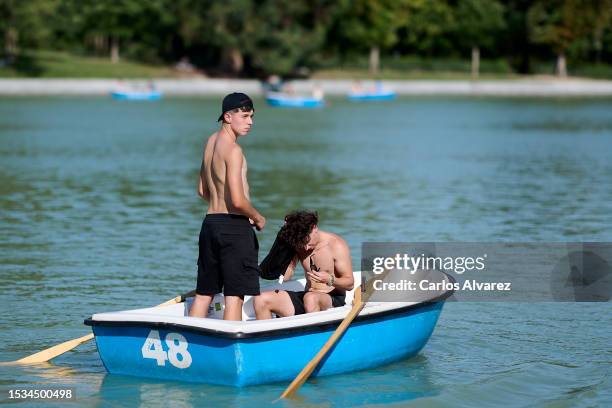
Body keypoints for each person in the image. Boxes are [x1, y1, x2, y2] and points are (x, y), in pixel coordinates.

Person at [189, 92, 266, 320]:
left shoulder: (210, 143)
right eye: (244, 116)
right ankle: (230, 350)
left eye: (251, 116)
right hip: (234, 228)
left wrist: (223, 206)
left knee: (204, 293)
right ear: (228, 116)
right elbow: (238, 200)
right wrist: (257, 217)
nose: (250, 122)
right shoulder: (234, 151)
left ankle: (194, 345)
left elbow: (202, 190)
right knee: (235, 295)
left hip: (210, 225)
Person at [253, 210, 354, 319]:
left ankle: (314, 335)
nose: (305, 248)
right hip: (308, 296)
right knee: (260, 299)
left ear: (314, 227)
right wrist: (283, 241)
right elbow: (286, 276)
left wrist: (330, 279)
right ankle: (270, 335)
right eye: (302, 243)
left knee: (310, 299)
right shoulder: (300, 243)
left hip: (332, 299)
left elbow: (350, 284)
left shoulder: (336, 245)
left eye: (307, 241)